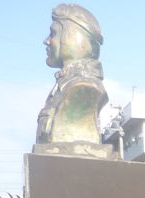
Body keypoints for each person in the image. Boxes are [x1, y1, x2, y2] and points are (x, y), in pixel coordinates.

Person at [37, 4, 108, 147]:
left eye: (53, 33)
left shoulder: (84, 87)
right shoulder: (63, 85)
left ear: (72, 38)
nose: (46, 41)